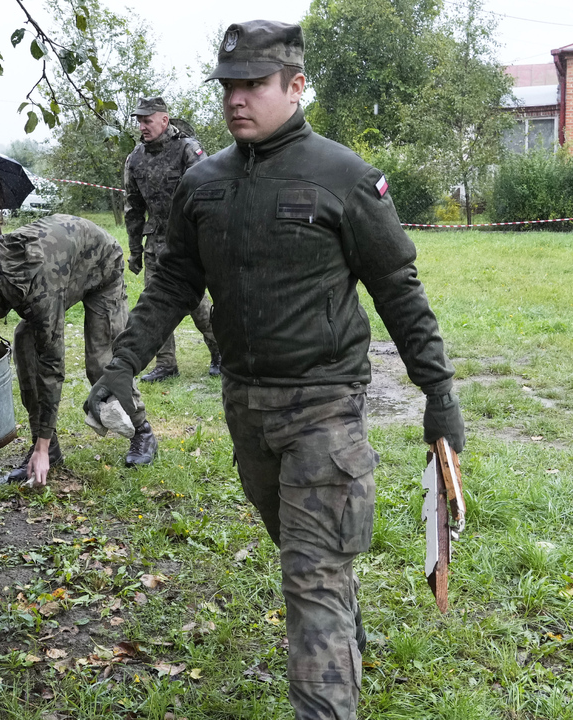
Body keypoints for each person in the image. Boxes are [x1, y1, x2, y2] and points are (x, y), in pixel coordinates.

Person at [86, 20, 465, 720]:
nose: (237, 99)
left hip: (324, 408)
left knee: (310, 576)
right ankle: (342, 636)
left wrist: (438, 393)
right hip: (245, 407)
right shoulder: (203, 183)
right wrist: (122, 366)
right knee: (298, 550)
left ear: (295, 86)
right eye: (229, 85)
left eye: (254, 84)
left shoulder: (343, 177)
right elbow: (172, 283)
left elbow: (398, 289)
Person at [0, 214, 158, 486]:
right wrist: (42, 442)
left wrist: (40, 447)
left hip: (101, 266)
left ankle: (143, 432)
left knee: (101, 362)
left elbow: (53, 366)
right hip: (65, 263)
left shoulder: (40, 285)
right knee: (24, 343)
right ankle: (48, 447)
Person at [123, 96, 221, 381]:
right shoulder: (135, 158)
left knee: (196, 303)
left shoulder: (188, 150)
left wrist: (208, 241)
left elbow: (209, 197)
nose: (142, 126)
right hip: (155, 244)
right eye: (139, 121)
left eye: (147, 120)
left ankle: (219, 353)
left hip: (189, 242)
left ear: (164, 120)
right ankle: (166, 364)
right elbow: (133, 207)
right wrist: (134, 251)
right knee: (155, 305)